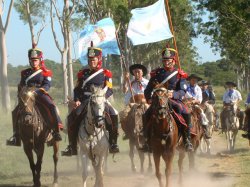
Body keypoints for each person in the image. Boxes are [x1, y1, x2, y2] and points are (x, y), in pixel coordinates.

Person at [61, 44, 120, 156]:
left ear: (99, 59)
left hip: (100, 100)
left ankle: (113, 143)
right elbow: (77, 89)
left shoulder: (106, 73)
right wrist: (77, 99)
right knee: (72, 116)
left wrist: (102, 98)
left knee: (113, 114)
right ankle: (72, 146)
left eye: (94, 59)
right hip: (86, 100)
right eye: (90, 59)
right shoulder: (82, 73)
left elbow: (110, 90)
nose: (92, 61)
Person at [6, 46, 62, 146]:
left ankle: (56, 131)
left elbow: (47, 85)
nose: (34, 62)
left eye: (36, 60)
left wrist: (37, 91)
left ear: (40, 60)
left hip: (40, 94)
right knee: (15, 111)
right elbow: (22, 84)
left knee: (52, 106)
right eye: (32, 60)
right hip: (27, 96)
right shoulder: (25, 73)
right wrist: (22, 91)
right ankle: (16, 136)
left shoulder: (46, 72)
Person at [141, 47, 193, 152]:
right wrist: (149, 99)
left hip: (173, 100)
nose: (166, 62)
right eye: (164, 60)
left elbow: (182, 91)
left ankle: (187, 139)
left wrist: (173, 93)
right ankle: (146, 140)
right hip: (158, 100)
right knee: (146, 114)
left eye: (169, 60)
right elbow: (147, 90)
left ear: (174, 61)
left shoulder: (179, 74)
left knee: (185, 112)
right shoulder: (156, 73)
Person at [121, 64, 149, 140]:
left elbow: (151, 95)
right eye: (135, 72)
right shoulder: (131, 83)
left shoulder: (147, 83)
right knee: (122, 115)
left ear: (142, 73)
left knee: (153, 114)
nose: (136, 74)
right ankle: (127, 132)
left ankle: (153, 131)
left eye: (138, 72)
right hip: (132, 104)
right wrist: (125, 80)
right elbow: (124, 90)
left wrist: (146, 100)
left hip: (145, 104)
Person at [185, 75, 211, 139]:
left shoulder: (198, 88)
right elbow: (183, 95)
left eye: (195, 80)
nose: (194, 81)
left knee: (202, 115)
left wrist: (194, 101)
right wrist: (187, 101)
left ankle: (205, 131)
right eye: (192, 80)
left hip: (195, 105)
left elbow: (200, 99)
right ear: (190, 80)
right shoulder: (185, 87)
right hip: (185, 104)